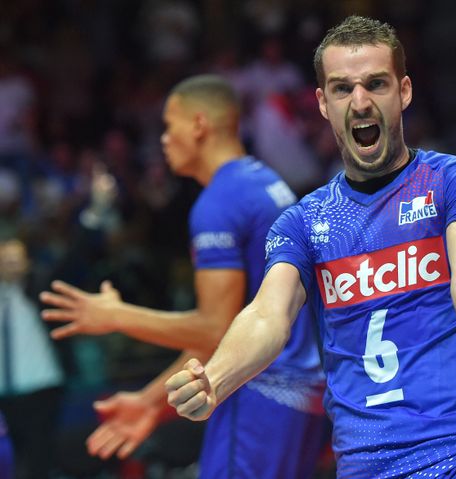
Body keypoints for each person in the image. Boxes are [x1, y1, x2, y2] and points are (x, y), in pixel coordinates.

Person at [165, 16, 456, 479]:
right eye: (342, 89)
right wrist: (214, 382)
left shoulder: (454, 181)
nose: (360, 102)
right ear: (323, 103)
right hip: (368, 464)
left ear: (403, 92)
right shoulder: (302, 222)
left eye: (375, 84)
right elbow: (267, 315)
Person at [40, 74, 326, 479]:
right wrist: (149, 403)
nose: (163, 139)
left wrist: (115, 316)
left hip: (260, 393)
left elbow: (214, 329)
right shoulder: (266, 181)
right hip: (298, 395)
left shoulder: (219, 202)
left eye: (169, 126)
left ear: (198, 125)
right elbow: (229, 334)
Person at [0, 238, 64, 479]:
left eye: (17, 260)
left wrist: (93, 217)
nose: (11, 266)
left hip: (41, 391)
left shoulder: (40, 289)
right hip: (3, 398)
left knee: (38, 464)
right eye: (6, 261)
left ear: (27, 264)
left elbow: (69, 260)